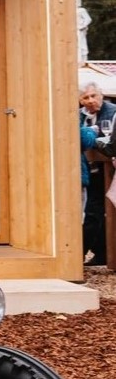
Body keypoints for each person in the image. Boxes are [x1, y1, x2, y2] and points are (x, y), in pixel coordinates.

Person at [79, 81, 116, 266]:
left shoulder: (112, 111)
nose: (90, 100)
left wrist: (90, 137)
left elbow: (109, 140)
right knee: (95, 212)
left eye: (94, 95)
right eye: (85, 97)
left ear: (101, 95)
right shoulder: (80, 115)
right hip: (90, 169)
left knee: (95, 212)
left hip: (108, 169)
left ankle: (80, 254)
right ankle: (100, 253)